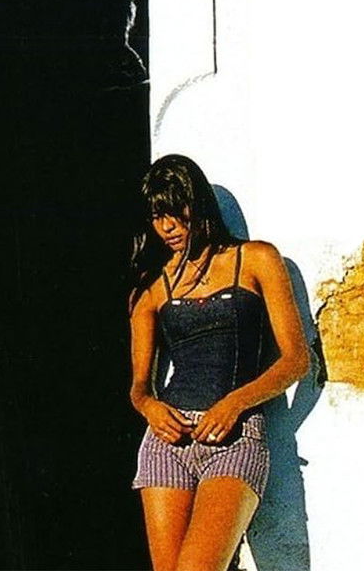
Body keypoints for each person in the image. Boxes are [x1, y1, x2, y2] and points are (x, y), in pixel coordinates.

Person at [128, 155, 311, 571]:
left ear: (198, 202)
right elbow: (139, 386)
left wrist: (235, 404)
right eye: (157, 216)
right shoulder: (152, 285)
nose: (167, 226)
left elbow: (296, 360)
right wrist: (150, 407)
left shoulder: (257, 258)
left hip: (236, 437)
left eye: (175, 210)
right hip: (168, 442)